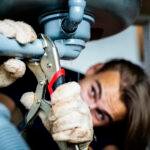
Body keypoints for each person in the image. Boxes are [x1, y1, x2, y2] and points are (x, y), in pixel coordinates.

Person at [21, 58, 150, 150]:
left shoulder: (107, 137)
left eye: (100, 114)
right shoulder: (40, 76)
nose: (86, 107)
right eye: (93, 92)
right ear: (94, 69)